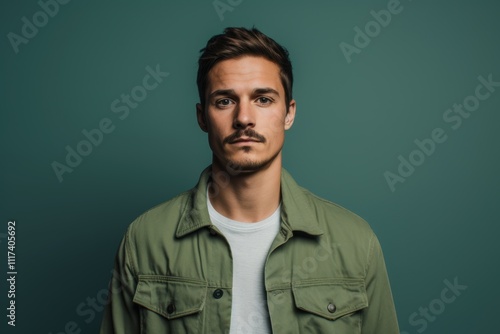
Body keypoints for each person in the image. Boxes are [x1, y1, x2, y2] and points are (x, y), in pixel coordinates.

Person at [99, 27, 399, 334]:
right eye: (225, 101)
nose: (244, 118)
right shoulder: (145, 240)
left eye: (263, 99)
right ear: (202, 117)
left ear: (288, 113)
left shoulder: (356, 243)